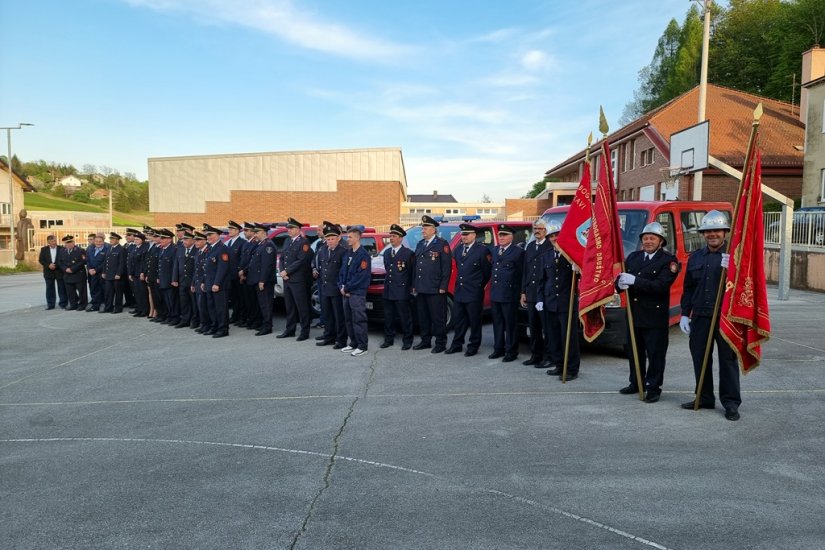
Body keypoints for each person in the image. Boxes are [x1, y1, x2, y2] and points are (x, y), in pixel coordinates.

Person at [679, 210, 741, 421]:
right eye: (708, 231)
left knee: (727, 360)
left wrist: (734, 268)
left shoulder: (734, 256)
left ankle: (731, 402)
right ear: (703, 234)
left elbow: (744, 288)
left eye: (717, 231)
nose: (712, 234)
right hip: (701, 317)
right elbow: (688, 288)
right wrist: (685, 314)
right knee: (700, 359)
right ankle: (704, 397)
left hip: (724, 317)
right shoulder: (696, 256)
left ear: (725, 232)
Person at [616, 222, 680, 403]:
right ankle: (636, 382)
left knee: (655, 354)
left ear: (661, 241)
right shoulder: (633, 257)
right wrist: (619, 284)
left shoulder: (669, 261)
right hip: (634, 314)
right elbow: (622, 280)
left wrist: (635, 281)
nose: (648, 241)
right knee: (634, 351)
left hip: (654, 317)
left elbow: (660, 286)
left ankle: (653, 387)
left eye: (653, 238)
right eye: (645, 238)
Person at [536, 221, 581, 380]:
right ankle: (559, 365)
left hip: (566, 303)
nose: (554, 238)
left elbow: (582, 276)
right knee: (553, 337)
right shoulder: (545, 256)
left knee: (568, 338)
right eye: (551, 236)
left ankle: (571, 369)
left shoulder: (572, 255)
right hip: (550, 302)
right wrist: (540, 299)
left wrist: (578, 267)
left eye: (557, 235)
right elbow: (542, 281)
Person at [446, 223, 491, 357]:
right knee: (459, 320)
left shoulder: (482, 251)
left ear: (474, 235)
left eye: (466, 234)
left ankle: (473, 346)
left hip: (474, 292)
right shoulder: (459, 249)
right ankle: (457, 344)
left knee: (474, 321)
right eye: (462, 234)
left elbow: (487, 272)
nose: (463, 237)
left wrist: (478, 285)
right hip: (460, 291)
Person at [412, 215, 452, 353]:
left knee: (438, 318)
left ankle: (440, 343)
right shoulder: (420, 244)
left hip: (435, 288)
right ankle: (425, 341)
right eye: (422, 227)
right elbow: (416, 267)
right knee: (423, 317)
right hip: (421, 287)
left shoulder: (442, 244)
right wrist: (414, 285)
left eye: (426, 227)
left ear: (433, 230)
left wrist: (443, 286)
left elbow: (446, 267)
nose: (423, 230)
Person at [489, 224, 524, 362]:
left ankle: (511, 351)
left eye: (504, 235)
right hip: (496, 292)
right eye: (500, 235)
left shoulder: (518, 252)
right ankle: (498, 348)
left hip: (509, 293)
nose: (501, 237)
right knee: (497, 323)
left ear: (511, 237)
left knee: (510, 324)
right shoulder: (495, 249)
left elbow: (521, 274)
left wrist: (522, 292)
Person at [521, 220, 552, 366]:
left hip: (545, 294)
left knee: (547, 328)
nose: (537, 231)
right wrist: (523, 292)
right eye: (535, 228)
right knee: (533, 327)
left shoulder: (550, 246)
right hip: (532, 293)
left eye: (540, 228)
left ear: (546, 231)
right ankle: (536, 355)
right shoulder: (530, 247)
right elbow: (525, 271)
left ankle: (549, 357)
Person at [380, 224, 416, 350]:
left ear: (401, 238)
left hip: (402, 290)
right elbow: (387, 269)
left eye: (394, 236)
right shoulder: (387, 253)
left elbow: (412, 272)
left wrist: (411, 288)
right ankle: (388, 339)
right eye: (391, 236)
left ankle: (407, 340)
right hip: (389, 289)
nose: (391, 238)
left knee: (404, 317)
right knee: (388, 317)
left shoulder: (408, 254)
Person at [278, 217, 314, 341]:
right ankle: (290, 329)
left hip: (298, 279)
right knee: (290, 306)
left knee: (301, 306)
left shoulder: (303, 242)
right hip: (287, 279)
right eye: (288, 228)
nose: (289, 230)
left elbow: (301, 260)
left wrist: (287, 271)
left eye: (292, 228)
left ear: (298, 229)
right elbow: (282, 258)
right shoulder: (287, 241)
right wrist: (282, 271)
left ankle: (305, 331)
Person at [339, 225, 371, 356]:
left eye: (350, 237)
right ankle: (353, 343)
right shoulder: (348, 253)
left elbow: (361, 277)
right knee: (348, 319)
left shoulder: (363, 255)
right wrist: (341, 286)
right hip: (346, 292)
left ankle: (362, 346)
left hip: (356, 293)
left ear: (357, 238)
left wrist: (346, 288)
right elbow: (342, 272)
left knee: (359, 319)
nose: (348, 239)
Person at [315, 223, 348, 348]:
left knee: (339, 316)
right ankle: (329, 337)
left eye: (332, 239)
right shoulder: (323, 250)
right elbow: (322, 268)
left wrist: (342, 287)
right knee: (327, 315)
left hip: (336, 289)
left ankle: (341, 340)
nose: (330, 241)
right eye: (328, 239)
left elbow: (343, 271)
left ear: (338, 238)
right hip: (325, 288)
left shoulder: (343, 251)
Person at [248, 223, 276, 336]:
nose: (255, 234)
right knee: (262, 303)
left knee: (266, 304)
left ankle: (268, 326)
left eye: (257, 232)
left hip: (265, 281)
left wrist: (262, 280)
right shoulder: (261, 245)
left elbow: (266, 265)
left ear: (264, 233)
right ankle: (264, 324)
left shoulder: (268, 245)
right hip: (258, 279)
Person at [203, 223, 230, 338]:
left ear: (218, 235)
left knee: (220, 307)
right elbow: (207, 268)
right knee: (211, 307)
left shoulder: (222, 249)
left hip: (218, 284)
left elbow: (222, 268)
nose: (208, 237)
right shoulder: (210, 248)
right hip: (209, 283)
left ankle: (223, 329)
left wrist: (217, 283)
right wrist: (204, 282)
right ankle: (215, 326)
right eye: (207, 235)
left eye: (210, 234)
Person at [171, 230, 196, 328]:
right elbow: (176, 265)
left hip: (192, 281)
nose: (184, 241)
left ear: (193, 241)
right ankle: (185, 319)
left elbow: (196, 268)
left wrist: (194, 282)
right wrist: (174, 278)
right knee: (184, 302)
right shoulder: (180, 249)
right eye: (183, 239)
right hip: (182, 281)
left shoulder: (197, 250)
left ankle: (194, 320)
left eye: (186, 239)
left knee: (194, 302)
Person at [237, 222, 260, 329]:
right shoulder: (246, 244)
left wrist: (244, 272)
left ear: (252, 232)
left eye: (246, 231)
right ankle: (249, 319)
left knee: (253, 301)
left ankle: (255, 321)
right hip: (244, 276)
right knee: (246, 300)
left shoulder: (256, 244)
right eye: (244, 230)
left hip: (250, 275)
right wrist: (241, 271)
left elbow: (252, 261)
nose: (244, 232)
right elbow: (242, 260)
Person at [57, 235, 87, 311]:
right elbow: (60, 262)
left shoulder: (80, 250)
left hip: (78, 274)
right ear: (64, 243)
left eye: (70, 242)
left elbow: (83, 262)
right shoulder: (62, 251)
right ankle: (73, 304)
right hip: (67, 274)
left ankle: (82, 304)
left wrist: (72, 269)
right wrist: (66, 269)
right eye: (67, 243)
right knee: (70, 292)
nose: (69, 244)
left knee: (81, 291)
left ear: (74, 242)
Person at [38, 234, 67, 310]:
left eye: (55, 240)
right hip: (48, 272)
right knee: (49, 288)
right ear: (48, 242)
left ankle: (63, 303)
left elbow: (63, 259)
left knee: (62, 288)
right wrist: (48, 265)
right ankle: (50, 304)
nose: (54, 242)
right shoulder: (43, 249)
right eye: (52, 241)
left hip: (59, 271)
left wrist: (56, 265)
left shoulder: (61, 248)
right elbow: (41, 260)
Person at [157, 229, 179, 325]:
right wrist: (159, 277)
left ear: (170, 240)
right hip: (163, 279)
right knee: (166, 299)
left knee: (172, 300)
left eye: (163, 238)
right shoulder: (162, 249)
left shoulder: (173, 250)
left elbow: (175, 266)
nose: (161, 240)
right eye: (161, 238)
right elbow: (160, 265)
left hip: (170, 280)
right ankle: (170, 316)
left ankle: (175, 317)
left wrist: (174, 279)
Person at [225, 220, 245, 323]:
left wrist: (241, 271)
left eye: (232, 229)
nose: (229, 231)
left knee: (240, 297)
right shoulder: (229, 243)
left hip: (237, 275)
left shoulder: (242, 242)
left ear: (237, 231)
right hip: (230, 275)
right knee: (233, 297)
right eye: (229, 229)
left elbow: (242, 259)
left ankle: (241, 316)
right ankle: (235, 315)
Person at [101, 232, 127, 313]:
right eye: (110, 239)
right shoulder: (109, 248)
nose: (111, 240)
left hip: (116, 275)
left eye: (113, 239)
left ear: (117, 240)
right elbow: (105, 261)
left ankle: (118, 308)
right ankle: (108, 307)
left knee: (118, 293)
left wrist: (119, 274)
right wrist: (104, 272)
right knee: (108, 292)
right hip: (109, 274)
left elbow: (122, 263)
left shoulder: (121, 249)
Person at [192, 231, 212, 333]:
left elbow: (207, 270)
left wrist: (203, 282)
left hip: (204, 283)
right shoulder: (198, 252)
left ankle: (208, 324)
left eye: (198, 240)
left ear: (204, 241)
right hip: (197, 282)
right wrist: (193, 283)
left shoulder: (208, 251)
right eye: (195, 240)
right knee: (200, 305)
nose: (196, 242)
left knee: (205, 305)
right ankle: (203, 324)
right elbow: (196, 270)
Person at [85, 233, 108, 312]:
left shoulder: (107, 250)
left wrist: (96, 270)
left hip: (101, 273)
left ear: (103, 242)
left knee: (103, 289)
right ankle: (96, 304)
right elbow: (87, 261)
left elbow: (105, 263)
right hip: (92, 273)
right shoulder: (90, 249)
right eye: (96, 241)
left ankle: (104, 304)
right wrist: (89, 269)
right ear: (94, 242)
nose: (98, 243)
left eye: (100, 241)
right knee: (94, 289)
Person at [129, 232, 149, 318]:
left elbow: (143, 262)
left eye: (138, 239)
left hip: (140, 274)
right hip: (134, 274)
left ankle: (145, 310)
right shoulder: (134, 248)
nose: (135, 241)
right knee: (136, 292)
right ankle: (139, 309)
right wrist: (130, 273)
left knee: (142, 293)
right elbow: (130, 262)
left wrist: (142, 272)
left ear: (142, 240)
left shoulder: (144, 249)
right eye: (135, 239)